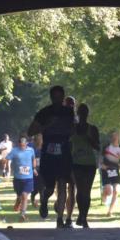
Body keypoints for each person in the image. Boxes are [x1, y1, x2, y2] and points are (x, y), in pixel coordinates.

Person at [27, 85, 75, 226]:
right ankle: (44, 200)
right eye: (55, 97)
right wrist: (47, 125)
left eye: (60, 97)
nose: (58, 100)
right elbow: (30, 131)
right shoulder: (44, 113)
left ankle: (60, 218)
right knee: (49, 187)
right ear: (51, 98)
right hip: (49, 151)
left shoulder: (69, 112)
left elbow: (72, 130)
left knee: (62, 184)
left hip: (64, 151)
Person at [0, 134, 37, 221]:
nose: (23, 146)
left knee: (25, 196)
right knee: (19, 196)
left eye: (24, 144)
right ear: (19, 144)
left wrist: (34, 169)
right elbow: (6, 159)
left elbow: (33, 159)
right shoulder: (14, 151)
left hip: (28, 178)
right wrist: (0, 159)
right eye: (21, 145)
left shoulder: (31, 150)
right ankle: (17, 203)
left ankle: (22, 214)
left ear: (27, 143)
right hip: (18, 179)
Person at [69, 102, 99, 228]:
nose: (83, 115)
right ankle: (82, 215)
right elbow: (68, 144)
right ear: (78, 113)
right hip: (76, 163)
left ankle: (84, 217)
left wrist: (89, 139)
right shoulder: (72, 128)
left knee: (86, 191)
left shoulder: (92, 129)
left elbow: (97, 146)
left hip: (89, 164)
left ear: (87, 114)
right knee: (80, 190)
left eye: (85, 112)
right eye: (81, 112)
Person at [100, 130, 120, 217]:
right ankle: (104, 193)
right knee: (109, 191)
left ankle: (110, 211)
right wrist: (101, 165)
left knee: (116, 191)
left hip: (115, 171)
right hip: (106, 171)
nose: (114, 138)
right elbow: (101, 158)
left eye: (116, 136)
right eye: (113, 136)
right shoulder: (106, 147)